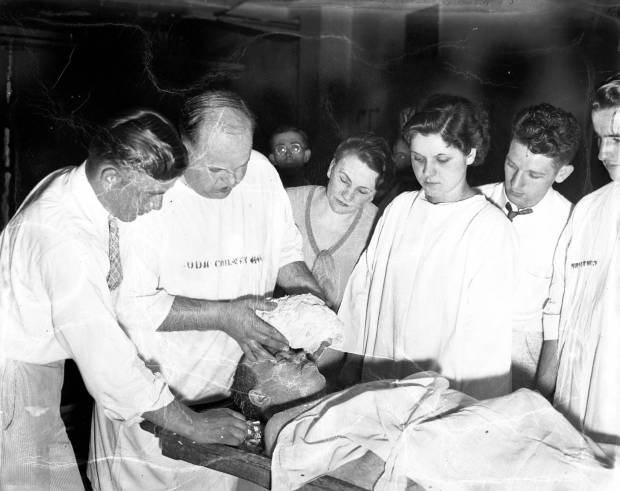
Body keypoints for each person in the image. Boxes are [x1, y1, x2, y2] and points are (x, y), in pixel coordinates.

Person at [88, 90, 325, 490]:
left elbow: (286, 254)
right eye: (215, 168)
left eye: (240, 165)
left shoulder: (263, 175)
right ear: (184, 147)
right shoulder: (148, 191)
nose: (231, 181)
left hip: (227, 398)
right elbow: (130, 307)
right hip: (157, 397)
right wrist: (224, 315)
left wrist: (313, 307)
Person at [0, 111, 243, 490]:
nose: (157, 207)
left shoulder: (85, 188)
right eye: (151, 195)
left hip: (36, 371)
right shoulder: (62, 239)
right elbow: (106, 364)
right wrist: (193, 424)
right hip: (13, 378)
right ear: (111, 177)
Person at [338, 94, 517, 400]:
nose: (427, 172)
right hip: (378, 383)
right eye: (418, 158)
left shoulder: (487, 227)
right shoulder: (400, 208)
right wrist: (350, 365)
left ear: (470, 153)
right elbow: (363, 291)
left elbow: (487, 342)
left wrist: (472, 413)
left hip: (442, 396)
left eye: (442, 159)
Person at [536, 75, 620, 448]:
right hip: (576, 406)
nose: (603, 154)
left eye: (617, 140)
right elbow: (559, 309)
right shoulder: (588, 210)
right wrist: (540, 400)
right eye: (601, 139)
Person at [478, 103, 580, 390]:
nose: (516, 183)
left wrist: (542, 391)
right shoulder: (473, 201)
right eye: (512, 164)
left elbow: (561, 320)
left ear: (562, 174)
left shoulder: (573, 225)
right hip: (458, 342)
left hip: (522, 358)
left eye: (534, 175)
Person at [287, 133, 390, 310]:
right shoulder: (288, 202)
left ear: (374, 194)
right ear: (331, 167)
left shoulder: (381, 227)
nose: (348, 195)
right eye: (344, 180)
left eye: (362, 191)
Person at [373, 136, 419, 211]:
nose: (394, 159)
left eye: (402, 156)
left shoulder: (407, 188)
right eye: (399, 155)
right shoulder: (384, 177)